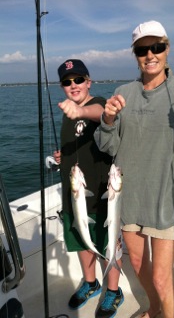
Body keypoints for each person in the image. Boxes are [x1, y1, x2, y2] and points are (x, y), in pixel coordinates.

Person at [94, 21, 174, 318]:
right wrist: (108, 121)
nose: (151, 54)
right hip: (128, 199)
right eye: (142, 49)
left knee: (163, 278)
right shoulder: (123, 92)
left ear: (167, 49)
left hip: (167, 201)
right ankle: (156, 309)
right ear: (135, 54)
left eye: (157, 47)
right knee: (137, 266)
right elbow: (107, 146)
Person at [54, 59, 124, 318]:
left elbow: (102, 114)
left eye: (78, 79)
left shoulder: (100, 103)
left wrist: (80, 111)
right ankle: (91, 283)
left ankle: (114, 291)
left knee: (108, 242)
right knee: (82, 239)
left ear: (89, 81)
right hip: (74, 193)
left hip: (102, 191)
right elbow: (79, 144)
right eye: (66, 82)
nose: (73, 85)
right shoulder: (66, 112)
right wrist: (63, 155)